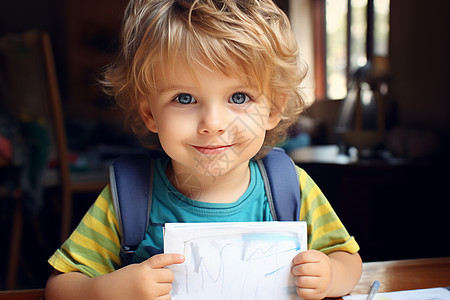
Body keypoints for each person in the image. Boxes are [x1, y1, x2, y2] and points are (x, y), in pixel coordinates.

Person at [45, 0, 362, 299]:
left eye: (239, 97)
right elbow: (60, 287)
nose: (213, 123)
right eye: (184, 98)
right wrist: (110, 290)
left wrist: (330, 274)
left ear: (273, 109)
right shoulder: (129, 197)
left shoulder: (288, 187)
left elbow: (348, 260)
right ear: (150, 113)